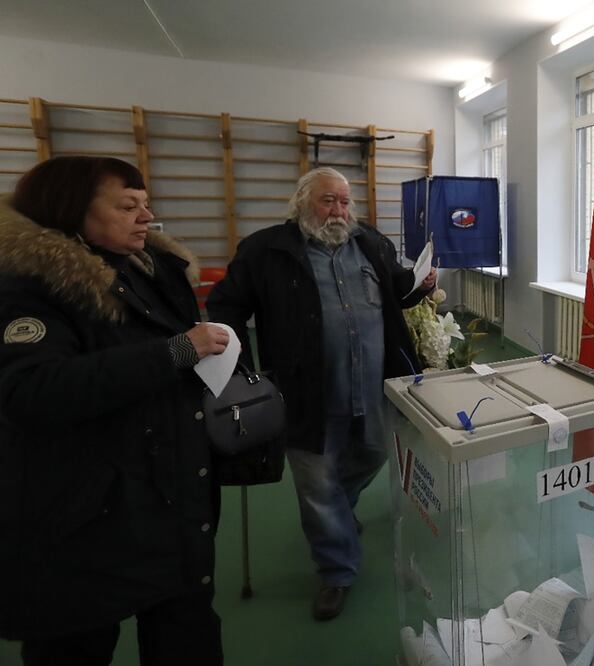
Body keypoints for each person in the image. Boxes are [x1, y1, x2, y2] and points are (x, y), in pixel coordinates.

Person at [0, 156, 229, 665]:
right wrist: (177, 352)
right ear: (72, 210)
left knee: (186, 637)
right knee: (74, 645)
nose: (146, 217)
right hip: (81, 516)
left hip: (171, 497)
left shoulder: (155, 270)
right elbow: (30, 392)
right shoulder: (29, 285)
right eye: (128, 206)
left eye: (146, 204)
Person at [207, 167, 435, 620]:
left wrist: (418, 287)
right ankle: (336, 571)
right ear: (302, 203)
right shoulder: (266, 251)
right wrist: (237, 366)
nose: (339, 211)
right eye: (328, 201)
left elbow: (396, 292)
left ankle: (340, 507)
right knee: (315, 482)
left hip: (373, 385)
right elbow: (226, 306)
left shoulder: (370, 243)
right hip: (306, 391)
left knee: (370, 456)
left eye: (345, 202)